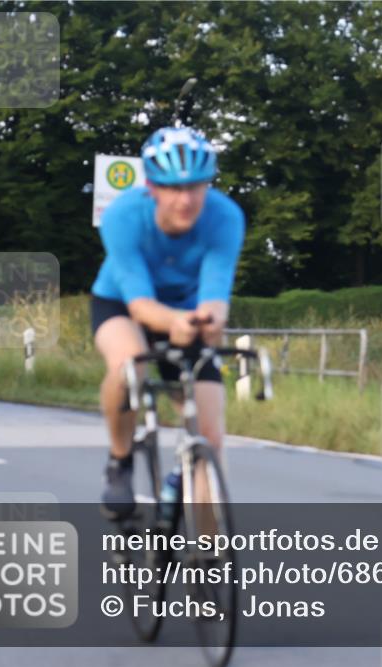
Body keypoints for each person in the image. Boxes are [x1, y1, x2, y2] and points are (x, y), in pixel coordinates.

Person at [90, 126, 245, 520]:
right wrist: (177, 320)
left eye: (195, 186)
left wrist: (211, 320)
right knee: (129, 362)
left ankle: (210, 551)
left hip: (188, 312)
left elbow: (216, 295)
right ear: (151, 187)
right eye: (173, 188)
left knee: (210, 435)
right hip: (121, 304)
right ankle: (120, 459)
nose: (186, 199)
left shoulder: (225, 217)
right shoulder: (123, 215)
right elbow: (140, 305)